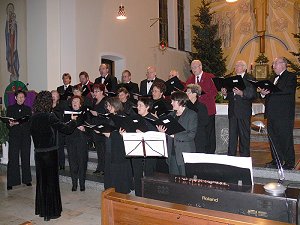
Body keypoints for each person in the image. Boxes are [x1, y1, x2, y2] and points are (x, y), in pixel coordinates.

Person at [30, 91, 82, 221]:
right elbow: (66, 129)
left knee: (42, 182)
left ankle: (42, 211)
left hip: (38, 153)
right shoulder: (50, 116)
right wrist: (73, 121)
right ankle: (51, 212)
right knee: (51, 183)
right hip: (50, 153)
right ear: (47, 102)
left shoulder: (33, 117)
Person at [259, 57, 296, 170]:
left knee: (285, 138)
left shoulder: (290, 77)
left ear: (284, 64)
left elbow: (287, 91)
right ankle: (276, 160)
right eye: (273, 63)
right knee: (273, 138)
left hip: (284, 114)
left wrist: (271, 90)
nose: (273, 65)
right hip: (271, 114)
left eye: (275, 63)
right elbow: (267, 94)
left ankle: (289, 162)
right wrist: (263, 93)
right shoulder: (272, 78)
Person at [221, 60, 257, 157]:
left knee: (244, 136)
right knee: (232, 137)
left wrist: (242, 93)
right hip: (233, 112)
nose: (236, 67)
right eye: (236, 65)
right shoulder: (232, 79)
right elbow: (230, 95)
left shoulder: (250, 78)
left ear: (244, 68)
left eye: (239, 65)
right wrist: (225, 94)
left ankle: (244, 158)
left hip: (243, 112)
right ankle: (231, 156)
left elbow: (253, 94)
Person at [157, 91, 198, 176]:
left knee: (185, 180)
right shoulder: (171, 115)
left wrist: (174, 135)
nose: (171, 103)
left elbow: (191, 135)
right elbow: (168, 132)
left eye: (173, 101)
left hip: (184, 152)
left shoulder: (191, 114)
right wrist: (163, 132)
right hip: (171, 152)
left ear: (180, 101)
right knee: (173, 180)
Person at [186, 59, 218, 154]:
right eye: (192, 68)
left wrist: (200, 95)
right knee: (199, 132)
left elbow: (214, 92)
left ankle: (210, 152)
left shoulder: (209, 77)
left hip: (208, 109)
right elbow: (186, 91)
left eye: (195, 67)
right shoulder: (190, 79)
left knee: (209, 132)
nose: (193, 70)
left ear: (200, 67)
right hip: (195, 110)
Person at [103, 97, 133, 194]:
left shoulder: (122, 117)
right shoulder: (111, 116)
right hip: (110, 147)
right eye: (107, 105)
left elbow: (124, 134)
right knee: (109, 172)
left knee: (118, 173)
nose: (107, 107)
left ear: (115, 105)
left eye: (109, 105)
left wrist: (110, 134)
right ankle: (110, 191)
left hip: (118, 150)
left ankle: (119, 191)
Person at [131, 97, 157, 196]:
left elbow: (156, 137)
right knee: (137, 174)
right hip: (136, 150)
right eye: (137, 105)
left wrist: (144, 134)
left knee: (148, 175)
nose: (138, 107)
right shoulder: (135, 118)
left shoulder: (153, 120)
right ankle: (138, 195)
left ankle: (148, 196)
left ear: (147, 107)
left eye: (140, 105)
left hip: (149, 152)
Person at [6, 90, 32, 190]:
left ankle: (27, 180)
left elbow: (29, 123)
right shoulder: (10, 108)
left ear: (25, 98)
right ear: (15, 98)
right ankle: (12, 181)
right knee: (13, 158)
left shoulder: (28, 109)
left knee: (25, 157)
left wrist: (20, 123)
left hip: (25, 136)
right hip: (14, 136)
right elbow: (8, 123)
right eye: (19, 97)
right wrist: (10, 124)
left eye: (22, 97)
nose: (21, 98)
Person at [65, 95, 88, 191]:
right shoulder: (67, 114)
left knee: (82, 162)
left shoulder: (85, 114)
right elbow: (64, 127)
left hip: (81, 141)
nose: (74, 103)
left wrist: (84, 128)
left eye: (77, 101)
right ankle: (74, 184)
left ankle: (82, 184)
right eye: (73, 101)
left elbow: (90, 126)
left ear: (80, 104)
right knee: (72, 162)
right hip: (71, 140)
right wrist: (71, 122)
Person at [88, 83, 108, 175]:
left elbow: (108, 115)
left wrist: (98, 114)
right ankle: (99, 167)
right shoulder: (94, 101)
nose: (94, 93)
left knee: (104, 149)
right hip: (95, 127)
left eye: (97, 91)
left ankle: (105, 168)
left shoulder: (105, 101)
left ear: (102, 91)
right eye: (94, 91)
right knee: (99, 149)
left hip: (103, 127)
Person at [186, 84, 209, 153]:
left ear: (194, 94)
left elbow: (205, 121)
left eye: (188, 92)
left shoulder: (201, 106)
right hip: (187, 136)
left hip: (198, 137)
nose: (186, 93)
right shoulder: (185, 106)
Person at [51, 90, 68, 170]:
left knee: (60, 147)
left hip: (59, 130)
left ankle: (61, 164)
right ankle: (54, 163)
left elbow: (62, 118)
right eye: (52, 95)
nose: (53, 97)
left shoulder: (61, 106)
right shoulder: (48, 106)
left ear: (58, 97)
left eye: (55, 96)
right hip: (51, 130)